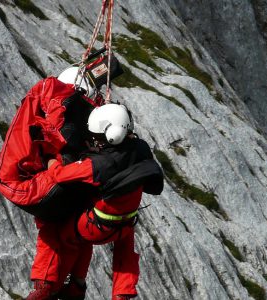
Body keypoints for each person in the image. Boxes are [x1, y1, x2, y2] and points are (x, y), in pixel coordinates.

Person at [0, 57, 124, 298]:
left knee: (67, 225)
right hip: (28, 185)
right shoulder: (57, 99)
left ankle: (61, 285)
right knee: (71, 217)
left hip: (31, 184)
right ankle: (59, 286)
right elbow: (63, 140)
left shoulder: (46, 109)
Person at [30, 104, 165, 300]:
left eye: (99, 138)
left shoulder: (99, 165)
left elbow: (60, 175)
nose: (96, 141)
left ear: (111, 136)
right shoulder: (141, 148)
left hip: (95, 227)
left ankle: (47, 287)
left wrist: (51, 158)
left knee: (60, 234)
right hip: (125, 224)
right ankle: (121, 294)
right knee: (125, 252)